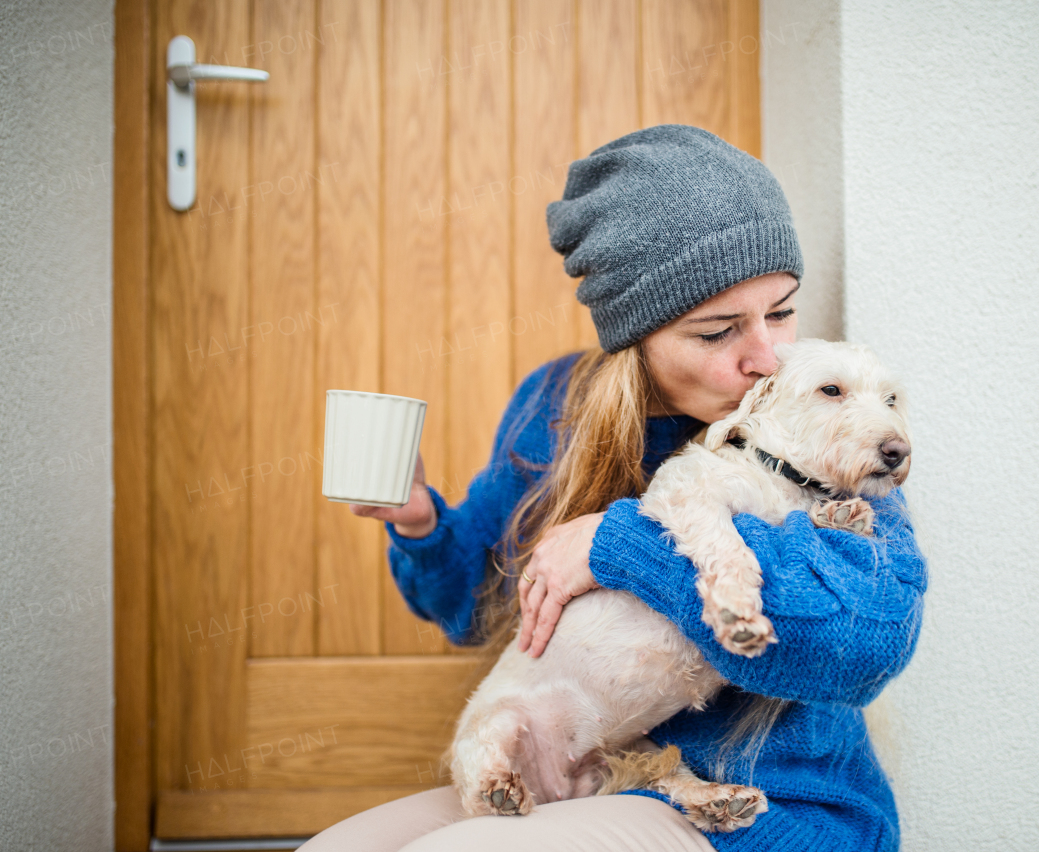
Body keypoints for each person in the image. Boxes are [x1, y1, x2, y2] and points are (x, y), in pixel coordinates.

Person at [298, 124, 927, 852]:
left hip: (776, 810)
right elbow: (480, 611)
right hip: (595, 779)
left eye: (782, 310)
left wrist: (619, 544)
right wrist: (419, 527)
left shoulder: (823, 431)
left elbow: (866, 644)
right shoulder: (553, 407)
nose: (767, 356)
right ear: (636, 334)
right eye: (720, 329)